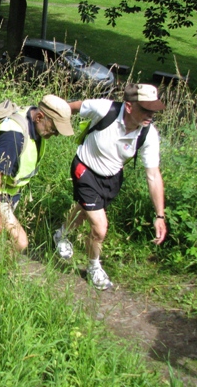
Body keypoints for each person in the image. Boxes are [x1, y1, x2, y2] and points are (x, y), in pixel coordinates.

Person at [54, 84, 167, 290]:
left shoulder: (148, 134)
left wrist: (160, 215)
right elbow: (72, 107)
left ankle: (61, 234)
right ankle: (94, 267)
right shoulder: (105, 109)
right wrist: (48, 118)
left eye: (153, 110)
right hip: (85, 169)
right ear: (129, 106)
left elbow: (153, 175)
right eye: (145, 109)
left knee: (82, 210)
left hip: (112, 178)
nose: (150, 115)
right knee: (100, 228)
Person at [0, 95, 74, 252]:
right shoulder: (13, 137)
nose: (56, 134)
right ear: (39, 117)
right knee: (20, 242)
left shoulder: (33, 120)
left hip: (11, 191)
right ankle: (4, 274)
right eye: (54, 129)